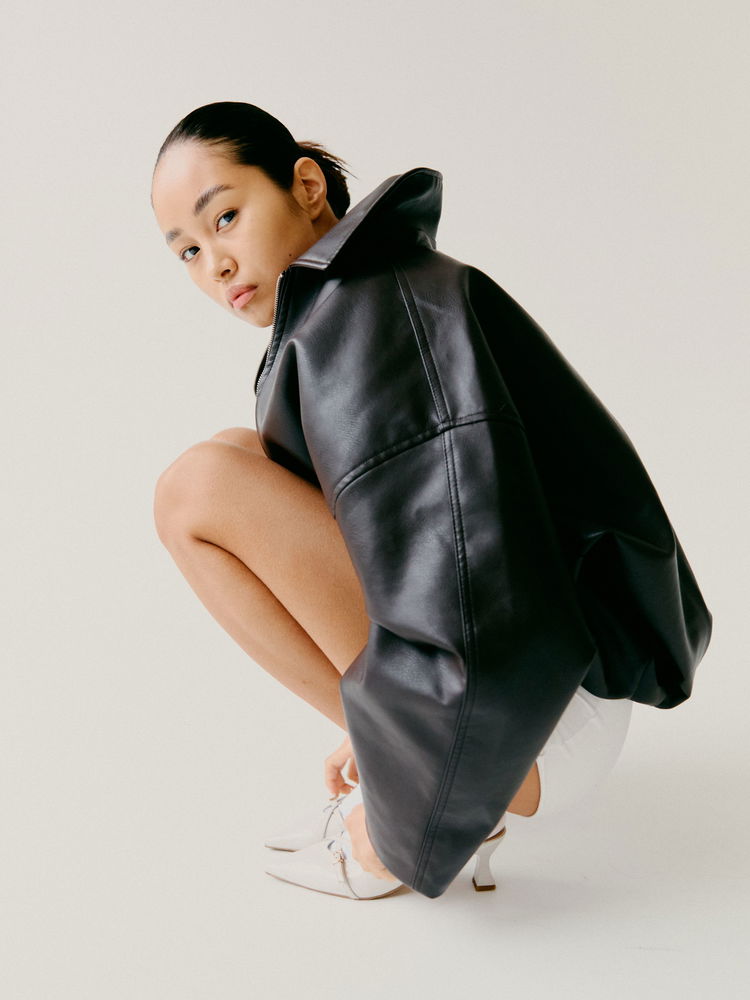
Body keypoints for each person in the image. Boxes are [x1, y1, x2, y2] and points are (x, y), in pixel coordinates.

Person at [148, 101, 640, 899]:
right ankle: (403, 756)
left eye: (226, 217)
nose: (217, 265)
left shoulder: (370, 318)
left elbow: (470, 574)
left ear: (306, 185)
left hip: (539, 717)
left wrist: (417, 809)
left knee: (196, 492)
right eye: (189, 251)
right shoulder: (361, 297)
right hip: (551, 681)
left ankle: (422, 779)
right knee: (235, 456)